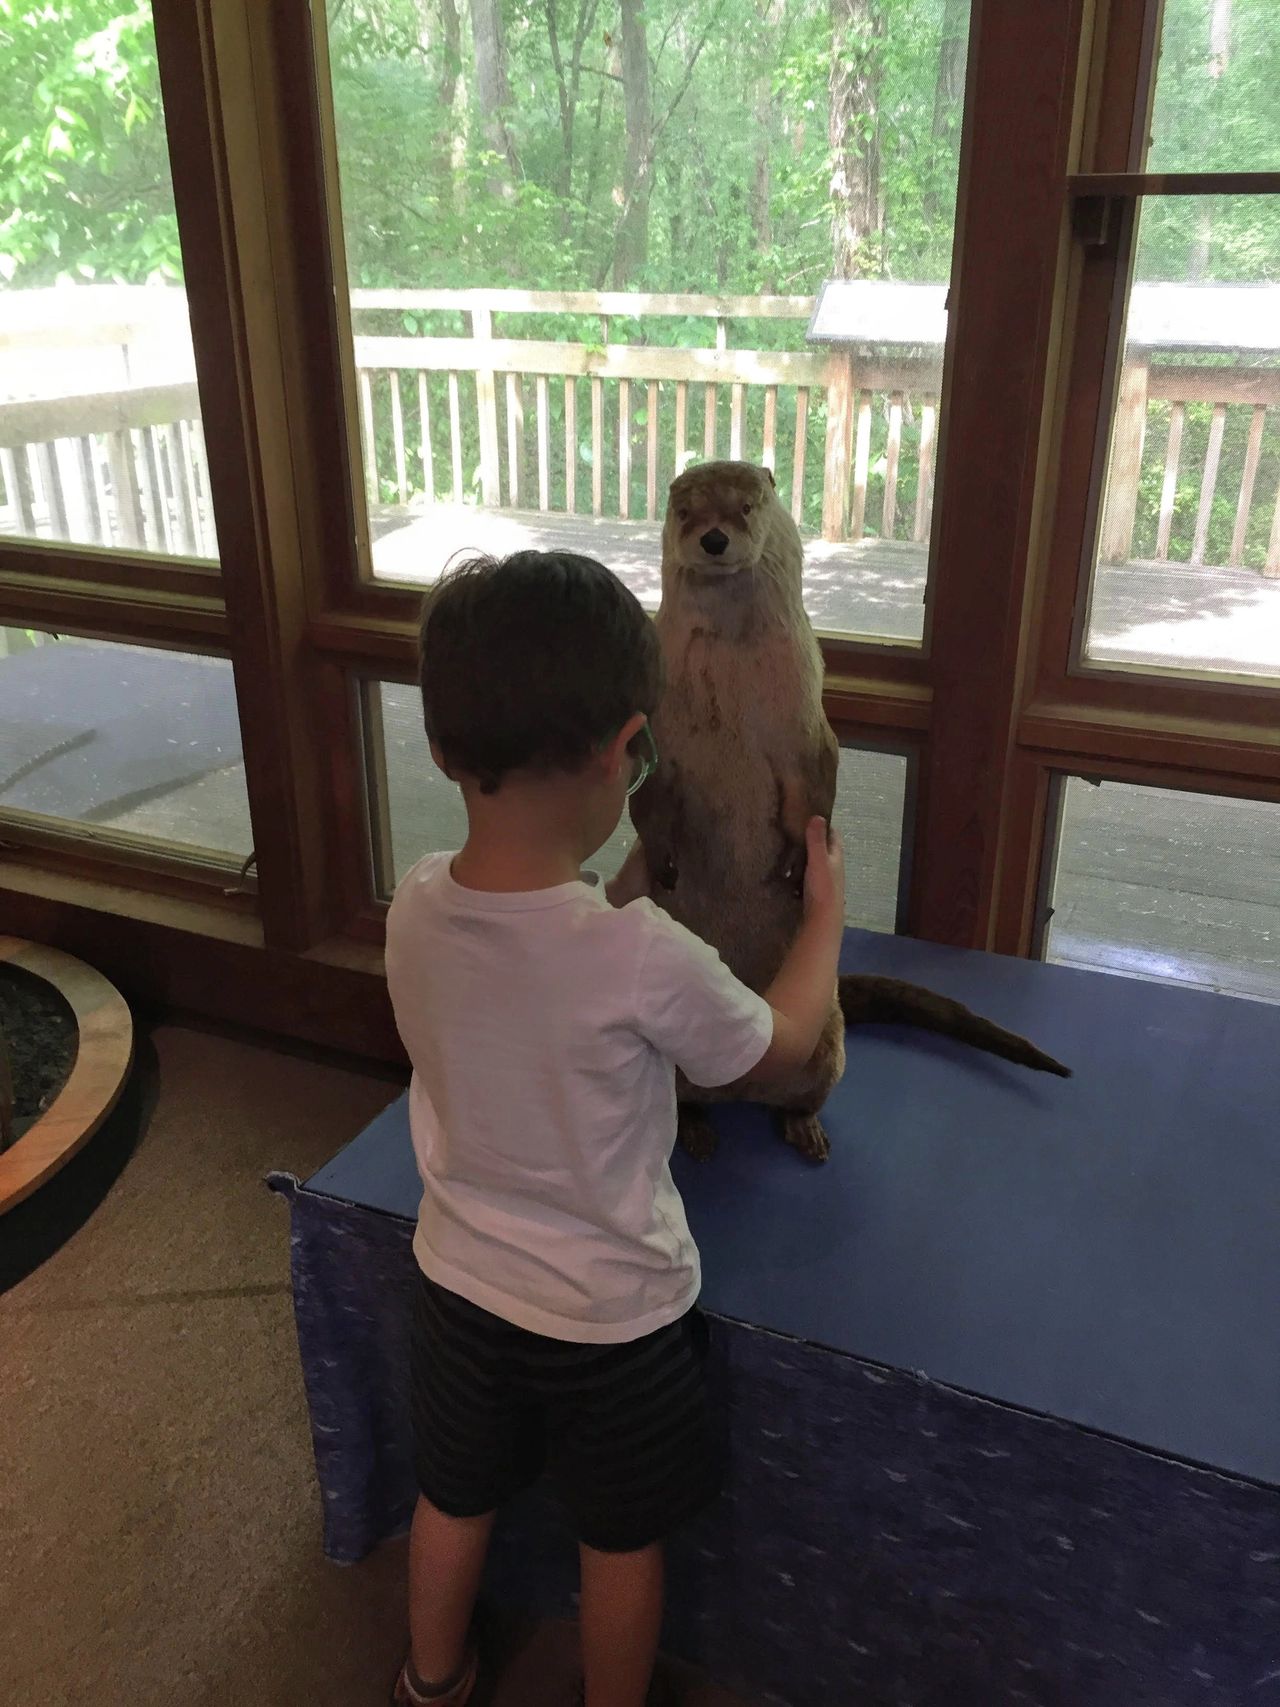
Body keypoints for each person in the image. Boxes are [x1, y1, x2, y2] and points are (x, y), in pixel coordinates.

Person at [384, 549, 845, 1707]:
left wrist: (632, 870)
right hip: (613, 1321)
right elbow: (783, 1045)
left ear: (439, 748)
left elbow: (541, 958)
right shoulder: (639, 956)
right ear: (627, 748)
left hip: (456, 1286)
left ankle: (429, 1679)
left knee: (452, 1497)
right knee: (620, 1542)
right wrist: (825, 924)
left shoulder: (415, 901)